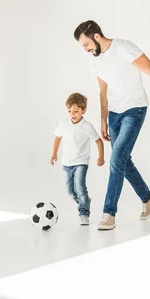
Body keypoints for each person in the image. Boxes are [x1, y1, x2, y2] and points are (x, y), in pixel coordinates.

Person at [73, 20, 150, 230]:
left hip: (135, 109)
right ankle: (148, 198)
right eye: (83, 46)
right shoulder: (95, 62)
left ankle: (109, 213)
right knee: (123, 161)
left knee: (116, 159)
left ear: (96, 36)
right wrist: (103, 119)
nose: (85, 49)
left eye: (86, 44)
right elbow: (102, 92)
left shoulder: (124, 48)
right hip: (113, 114)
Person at [50, 92, 105, 225]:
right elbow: (58, 137)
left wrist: (101, 157)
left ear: (83, 110)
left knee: (80, 187)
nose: (72, 114)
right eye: (69, 111)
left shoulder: (87, 126)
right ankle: (85, 201)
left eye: (75, 111)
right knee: (70, 190)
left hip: (81, 161)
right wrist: (54, 154)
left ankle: (84, 213)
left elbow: (98, 141)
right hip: (67, 163)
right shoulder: (64, 123)